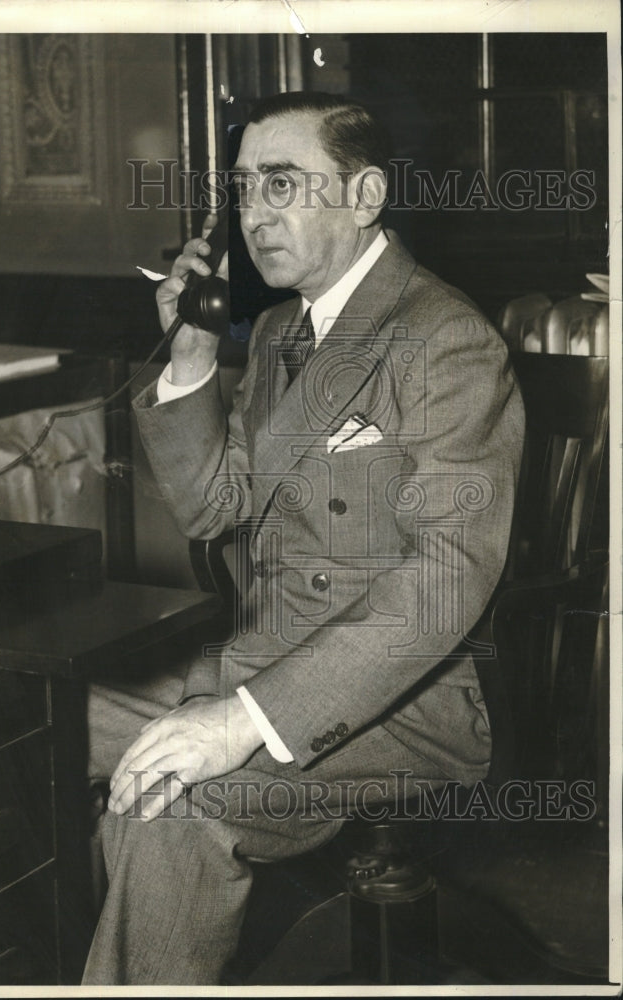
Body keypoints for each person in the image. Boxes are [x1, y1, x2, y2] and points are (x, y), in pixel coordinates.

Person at [83, 91, 525, 985]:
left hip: (406, 705)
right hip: (256, 661)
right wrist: (195, 357)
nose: (253, 217)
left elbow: (444, 584)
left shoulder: (444, 340)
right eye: (245, 191)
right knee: (34, 722)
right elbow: (216, 508)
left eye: (283, 184)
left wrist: (242, 722)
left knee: (168, 807)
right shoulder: (285, 329)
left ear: (365, 198)